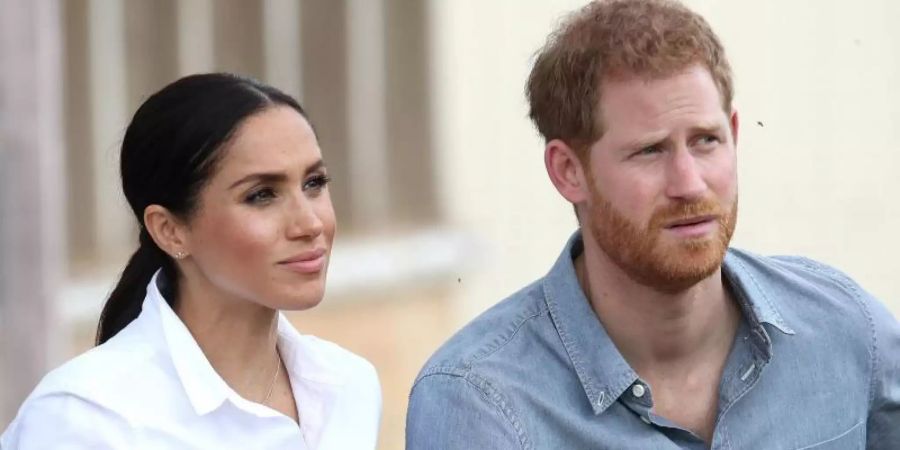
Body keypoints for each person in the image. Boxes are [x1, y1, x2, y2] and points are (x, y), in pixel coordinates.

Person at [406, 0, 900, 448]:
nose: (689, 183)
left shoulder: (846, 332)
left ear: (733, 134)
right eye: (649, 150)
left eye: (705, 141)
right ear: (567, 171)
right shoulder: (480, 402)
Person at [1, 73, 381, 449]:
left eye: (314, 183)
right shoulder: (88, 420)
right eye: (262, 195)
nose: (310, 224)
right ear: (169, 230)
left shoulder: (347, 387)